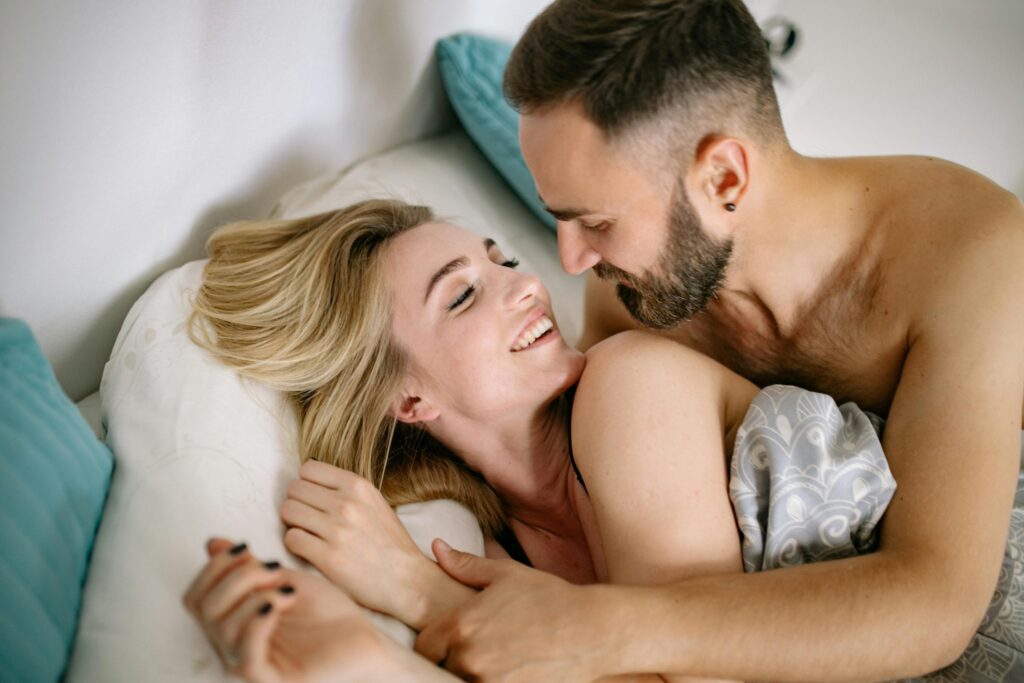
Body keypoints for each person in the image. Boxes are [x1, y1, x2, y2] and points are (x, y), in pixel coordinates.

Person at [412, 0, 1024, 681]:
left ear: (724, 178)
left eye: (597, 221)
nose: (572, 260)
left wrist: (606, 627)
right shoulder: (631, 299)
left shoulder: (970, 252)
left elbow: (935, 602)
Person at [182, 199, 885, 682]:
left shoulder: (628, 385)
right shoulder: (495, 553)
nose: (525, 288)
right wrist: (376, 651)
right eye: (461, 295)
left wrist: (421, 593)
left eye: (504, 262)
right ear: (406, 398)